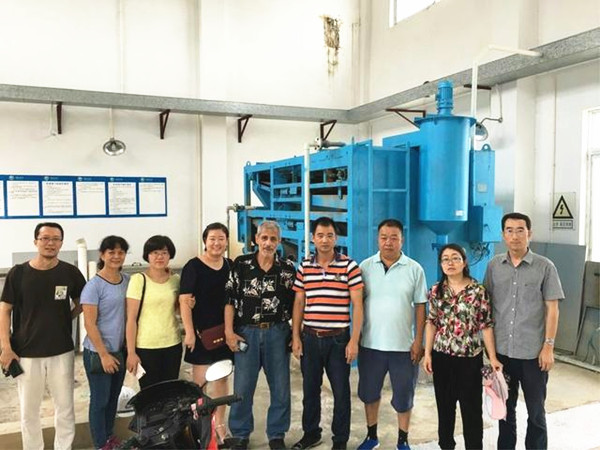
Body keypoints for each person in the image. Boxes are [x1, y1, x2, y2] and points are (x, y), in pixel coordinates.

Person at [0, 222, 86, 450]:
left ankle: (63, 447)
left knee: (65, 407)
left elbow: (83, 303)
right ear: (35, 241)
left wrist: (65, 318)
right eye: (45, 238)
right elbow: (4, 310)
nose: (50, 243)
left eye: (56, 239)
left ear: (61, 243)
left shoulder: (70, 273)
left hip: (62, 350)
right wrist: (6, 347)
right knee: (29, 410)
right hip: (26, 352)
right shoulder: (18, 273)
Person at [484, 212, 563, 450]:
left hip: (533, 355)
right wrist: (490, 352)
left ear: (530, 233)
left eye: (520, 230)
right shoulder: (494, 265)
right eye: (509, 230)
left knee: (536, 412)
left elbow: (552, 309)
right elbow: (486, 306)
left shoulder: (545, 267)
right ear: (503, 235)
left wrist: (548, 346)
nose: (515, 236)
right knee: (505, 411)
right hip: (503, 354)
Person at [292, 216, 364, 450]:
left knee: (341, 392)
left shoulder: (349, 266)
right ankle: (311, 433)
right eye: (320, 235)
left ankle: (340, 440)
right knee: (310, 391)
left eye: (329, 235)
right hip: (310, 339)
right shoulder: (305, 266)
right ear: (313, 238)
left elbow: (358, 305)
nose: (325, 240)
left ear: (336, 238)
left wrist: (354, 340)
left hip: (338, 340)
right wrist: (296, 337)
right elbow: (299, 302)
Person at [224, 220, 296, 450]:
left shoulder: (287, 269)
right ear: (256, 239)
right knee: (243, 387)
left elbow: (296, 304)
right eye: (264, 238)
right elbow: (229, 300)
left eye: (273, 239)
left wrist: (295, 334)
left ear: (279, 241)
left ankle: (276, 435)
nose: (268, 243)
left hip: (277, 333)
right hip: (247, 333)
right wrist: (229, 332)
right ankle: (240, 434)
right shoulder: (241, 264)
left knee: (281, 388)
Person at [423, 243, 502, 450]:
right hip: (442, 358)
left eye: (455, 258)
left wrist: (493, 357)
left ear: (464, 262)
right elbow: (431, 322)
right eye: (445, 259)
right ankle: (446, 445)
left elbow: (486, 325)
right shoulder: (436, 291)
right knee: (445, 409)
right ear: (441, 264)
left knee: (471, 411)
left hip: (469, 360)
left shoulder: (478, 291)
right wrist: (427, 353)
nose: (450, 262)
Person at [356, 219, 427, 450]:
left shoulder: (414, 269)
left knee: (404, 397)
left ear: (401, 240)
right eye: (384, 237)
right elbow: (357, 304)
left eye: (393, 237)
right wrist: (355, 338)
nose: (388, 242)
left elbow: (420, 307)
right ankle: (371, 437)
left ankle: (402, 440)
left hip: (403, 347)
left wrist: (418, 341)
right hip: (370, 345)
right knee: (369, 393)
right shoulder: (365, 267)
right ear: (378, 239)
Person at [180, 223, 234, 447]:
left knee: (221, 380)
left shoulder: (230, 265)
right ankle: (201, 427)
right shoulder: (193, 266)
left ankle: (220, 425)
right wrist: (189, 332)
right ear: (205, 241)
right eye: (212, 239)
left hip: (224, 332)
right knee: (200, 383)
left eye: (221, 239)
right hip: (201, 334)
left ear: (226, 241)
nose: (216, 243)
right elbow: (184, 301)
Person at [81, 235, 130, 450]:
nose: (116, 256)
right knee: (100, 400)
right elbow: (89, 324)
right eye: (111, 252)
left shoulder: (127, 281)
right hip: (98, 353)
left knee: (112, 399)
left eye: (120, 252)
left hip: (119, 351)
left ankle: (109, 437)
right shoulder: (94, 286)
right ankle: (101, 444)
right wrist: (103, 355)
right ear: (102, 255)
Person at [125, 235, 181, 389]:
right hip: (146, 347)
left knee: (171, 392)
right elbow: (131, 319)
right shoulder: (138, 280)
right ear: (147, 255)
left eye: (164, 253)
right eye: (155, 252)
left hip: (173, 344)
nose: (159, 257)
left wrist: (188, 303)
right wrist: (131, 352)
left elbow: (178, 309)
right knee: (149, 393)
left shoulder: (176, 279)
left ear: (170, 255)